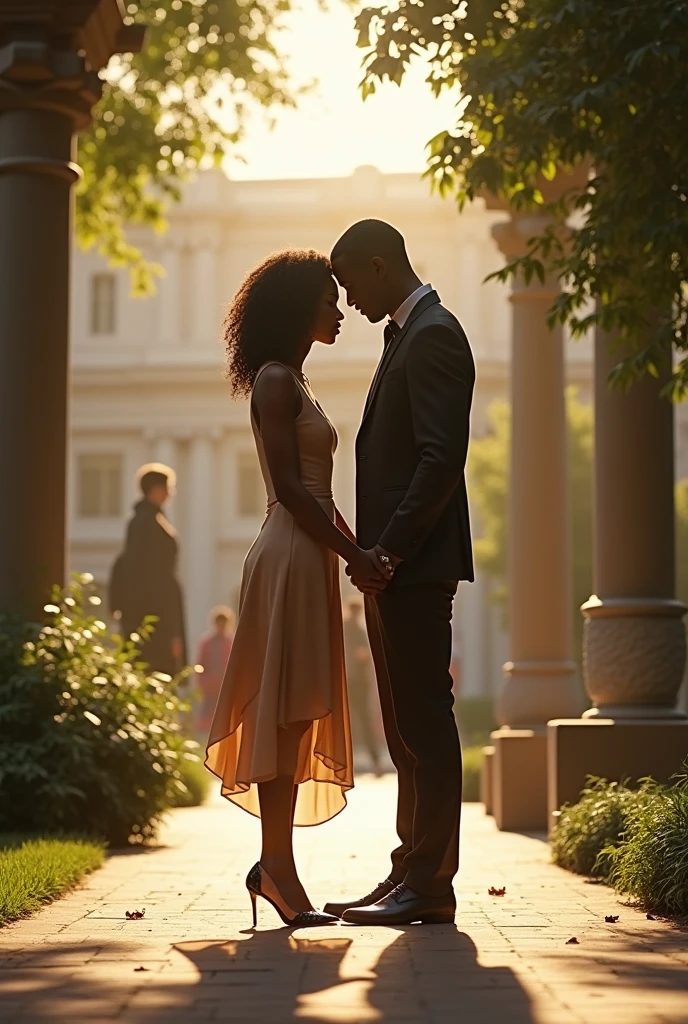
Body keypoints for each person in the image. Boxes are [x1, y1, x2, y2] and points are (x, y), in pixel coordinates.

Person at [205, 249, 393, 928]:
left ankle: (275, 869)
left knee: (295, 713)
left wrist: (354, 553)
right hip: (289, 552)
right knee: (285, 712)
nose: (338, 311)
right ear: (296, 308)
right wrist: (351, 553)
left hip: (307, 552)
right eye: (327, 299)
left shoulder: (295, 382)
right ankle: (277, 870)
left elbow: (319, 492)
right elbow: (290, 490)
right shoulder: (278, 381)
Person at [324, 219, 475, 927]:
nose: (348, 300)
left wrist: (388, 551)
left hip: (412, 566)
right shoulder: (407, 334)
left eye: (350, 283)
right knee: (405, 728)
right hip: (396, 569)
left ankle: (432, 884)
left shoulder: (435, 333)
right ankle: (408, 870)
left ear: (380, 266)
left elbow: (440, 458)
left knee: (424, 725)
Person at [109, 464, 187, 677]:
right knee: (154, 672)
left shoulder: (146, 521)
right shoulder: (147, 523)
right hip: (154, 615)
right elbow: (150, 576)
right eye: (168, 487)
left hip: (152, 612)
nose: (170, 493)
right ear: (156, 489)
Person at [343, 595, 383, 776]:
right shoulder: (355, 629)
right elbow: (361, 654)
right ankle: (375, 763)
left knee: (348, 721)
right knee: (363, 720)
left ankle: (343, 764)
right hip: (356, 680)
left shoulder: (344, 627)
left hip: (347, 679)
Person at [194, 606, 235, 734]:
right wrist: (202, 682)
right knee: (207, 715)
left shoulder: (231, 642)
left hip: (226, 687)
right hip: (210, 687)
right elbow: (200, 664)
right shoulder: (206, 642)